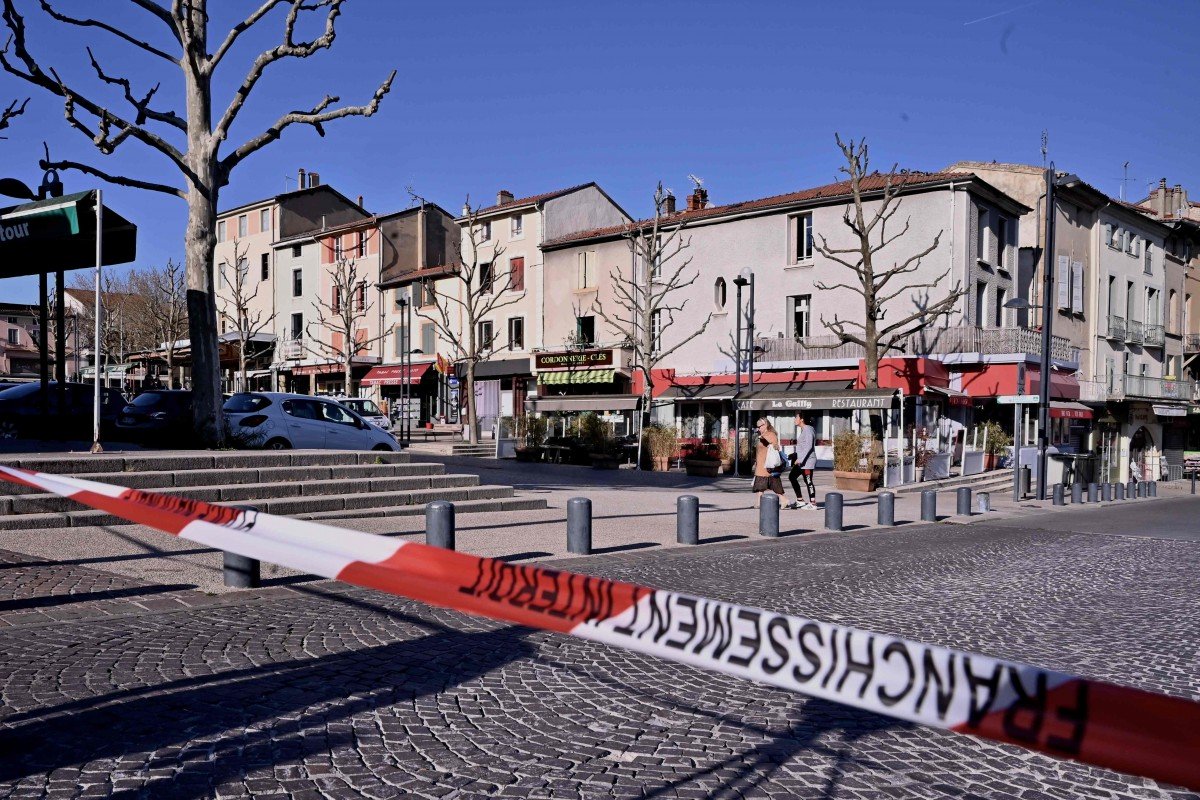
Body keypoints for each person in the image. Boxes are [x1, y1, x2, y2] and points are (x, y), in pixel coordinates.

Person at [786, 412, 818, 510]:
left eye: (796, 417)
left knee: (808, 481)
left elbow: (808, 446)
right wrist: (795, 455)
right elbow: (804, 446)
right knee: (792, 476)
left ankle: (813, 503)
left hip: (807, 461)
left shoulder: (808, 429)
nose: (795, 419)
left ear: (802, 419)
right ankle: (800, 500)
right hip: (802, 461)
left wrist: (800, 459)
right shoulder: (805, 430)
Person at [753, 417, 786, 507]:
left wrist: (763, 438)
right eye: (757, 427)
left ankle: (784, 500)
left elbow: (773, 444)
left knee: (771, 485)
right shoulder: (763, 434)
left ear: (765, 425)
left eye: (760, 426)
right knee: (761, 487)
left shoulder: (770, 434)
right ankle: (759, 503)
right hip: (761, 465)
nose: (758, 428)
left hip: (767, 465)